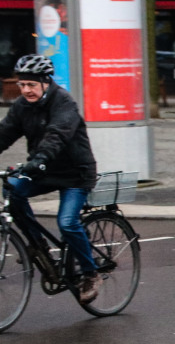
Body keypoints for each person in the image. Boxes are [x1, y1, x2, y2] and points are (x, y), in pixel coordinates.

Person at [0, 55, 102, 304]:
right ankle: (38, 246)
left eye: (31, 85)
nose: (26, 90)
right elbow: (5, 133)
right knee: (12, 192)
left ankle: (90, 273)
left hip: (75, 173)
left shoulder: (63, 102)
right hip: (43, 170)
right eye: (22, 85)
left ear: (45, 83)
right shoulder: (22, 106)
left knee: (67, 223)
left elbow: (58, 134)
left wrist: (41, 157)